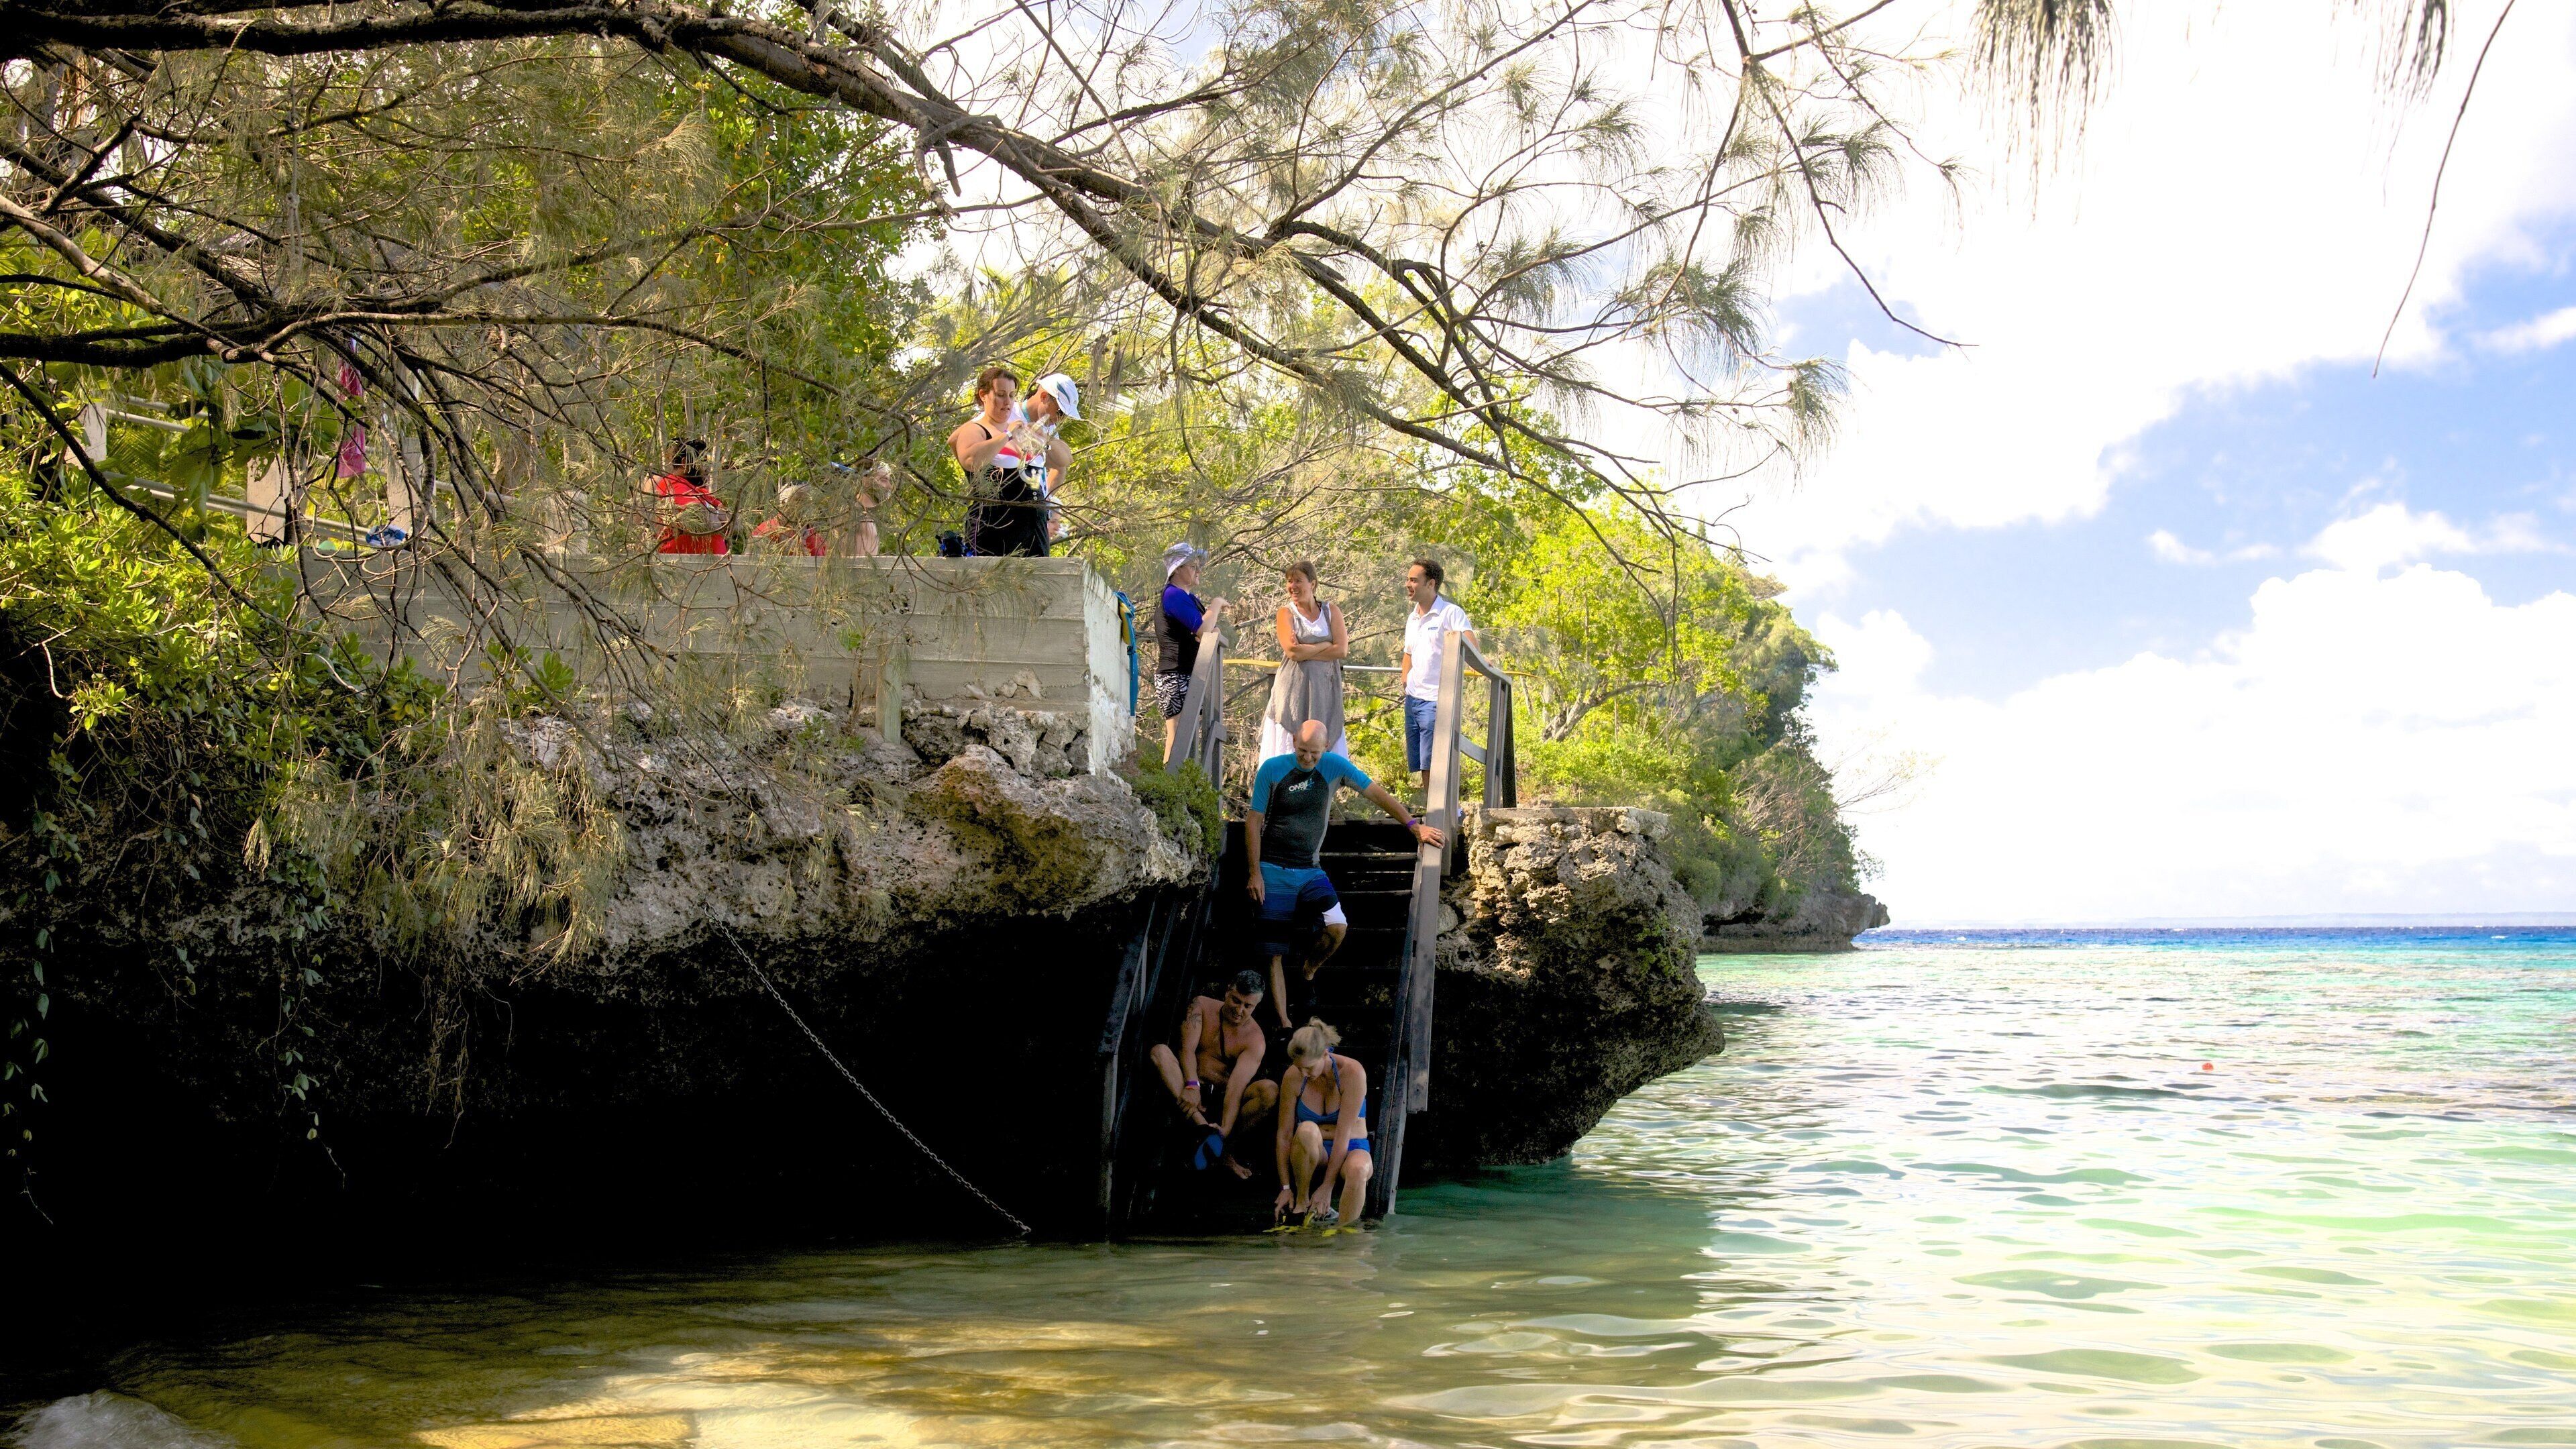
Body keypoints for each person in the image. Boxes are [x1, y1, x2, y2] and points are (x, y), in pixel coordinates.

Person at [1246, 719, 1443, 1030]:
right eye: (1302, 751)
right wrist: (1254, 872)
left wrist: (1412, 826)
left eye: (1314, 753)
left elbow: (1376, 794)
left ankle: (1308, 972)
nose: (1308, 759)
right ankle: (1284, 1023)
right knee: (1274, 951)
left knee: (1337, 926)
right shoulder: (1272, 769)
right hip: (1272, 868)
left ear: (1326, 748)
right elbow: (1254, 821)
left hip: (1310, 869)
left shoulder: (1334, 766)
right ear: (1294, 740)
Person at [1146, 969, 1280, 1179]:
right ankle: (1201, 1126)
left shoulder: (1255, 1040)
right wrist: (1192, 1085)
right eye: (1236, 1001)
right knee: (1160, 1052)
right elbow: (1186, 1049)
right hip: (1185, 1085)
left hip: (1220, 1096)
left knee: (1269, 1090)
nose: (1240, 1010)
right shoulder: (1201, 1005)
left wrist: (1225, 1129)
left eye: (1248, 1006)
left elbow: (1236, 1088)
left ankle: (1220, 1146)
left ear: (1256, 1006)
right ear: (1227, 992)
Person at [1273, 1020, 1371, 1228]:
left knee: (1359, 1170)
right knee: (1306, 1130)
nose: (1303, 1074)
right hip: (1311, 1149)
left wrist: (1327, 1186)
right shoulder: (1293, 1075)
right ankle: (1302, 1203)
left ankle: (1346, 1233)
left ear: (1325, 1053)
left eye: (1308, 1068)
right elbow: (1284, 1134)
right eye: (1299, 1068)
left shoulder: (1353, 1073)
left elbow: (1344, 1136)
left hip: (1349, 1147)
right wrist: (1285, 1187)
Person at [947, 366, 1052, 557]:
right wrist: (1007, 435)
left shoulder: (1023, 431)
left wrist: (1045, 439)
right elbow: (970, 459)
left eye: (1012, 396)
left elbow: (1061, 461)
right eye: (1001, 395)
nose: (1007, 402)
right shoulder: (977, 429)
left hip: (1034, 530)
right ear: (983, 395)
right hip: (994, 526)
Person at [1257, 561, 1349, 763]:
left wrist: (1307, 648)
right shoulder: (1286, 613)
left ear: (1313, 584)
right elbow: (1292, 652)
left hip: (1324, 693)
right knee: (1291, 746)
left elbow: (1342, 649)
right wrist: (1325, 644)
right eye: (1290, 581)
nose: (1293, 586)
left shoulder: (1331, 611)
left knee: (1322, 737)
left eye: (1298, 581)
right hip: (1293, 691)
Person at [1398, 557, 1475, 791]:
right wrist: (1405, 679)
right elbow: (1408, 652)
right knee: (1423, 763)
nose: (1408, 584)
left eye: (1414, 580)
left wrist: (1482, 663)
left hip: (1436, 699)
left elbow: (1471, 647)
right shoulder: (1413, 617)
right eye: (1408, 579)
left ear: (1431, 584)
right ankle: (1434, 812)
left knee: (1435, 762)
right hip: (1413, 700)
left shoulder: (1450, 613)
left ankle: (1447, 812)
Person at [1157, 543, 1229, 764]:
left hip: (1186, 673)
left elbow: (1205, 632)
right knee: (1177, 735)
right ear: (1177, 569)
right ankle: (1168, 787)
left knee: (1184, 736)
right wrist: (1216, 605)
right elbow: (1203, 630)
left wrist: (1209, 627)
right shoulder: (1172, 595)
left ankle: (1177, 785)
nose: (1199, 570)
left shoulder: (1188, 598)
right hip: (1175, 674)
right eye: (1193, 566)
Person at [1022, 372, 1079, 543]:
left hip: (1036, 518)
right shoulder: (1011, 415)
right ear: (1045, 397)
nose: (1060, 419)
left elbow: (1062, 464)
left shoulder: (1049, 427)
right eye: (1060, 412)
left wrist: (1046, 502)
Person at [652, 439, 729, 555]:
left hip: (712, 566)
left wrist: (713, 515)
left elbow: (734, 522)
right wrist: (717, 515)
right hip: (683, 565)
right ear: (685, 463)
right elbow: (710, 523)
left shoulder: (702, 492)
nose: (706, 469)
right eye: (702, 462)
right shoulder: (671, 485)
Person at [749, 482, 826, 556]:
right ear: (783, 502)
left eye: (808, 500)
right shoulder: (766, 530)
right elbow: (750, 563)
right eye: (799, 500)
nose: (805, 504)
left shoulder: (816, 536)